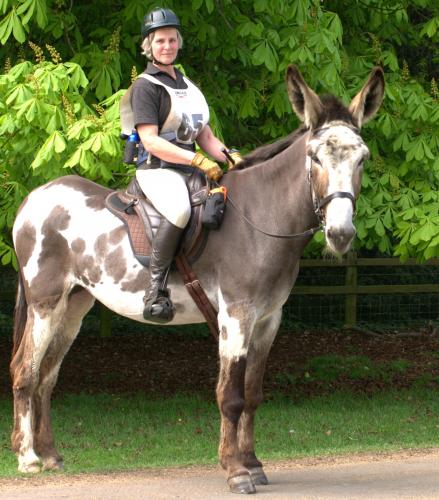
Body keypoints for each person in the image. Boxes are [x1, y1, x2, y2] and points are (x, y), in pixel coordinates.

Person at [128, 7, 242, 324]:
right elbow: (149, 139)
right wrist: (197, 160)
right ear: (148, 46)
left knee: (226, 200)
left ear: (179, 42)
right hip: (157, 169)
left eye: (172, 39)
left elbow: (204, 135)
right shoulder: (146, 87)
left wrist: (232, 157)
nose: (167, 46)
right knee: (179, 210)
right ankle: (155, 291)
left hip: (190, 167)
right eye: (160, 41)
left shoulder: (187, 85)